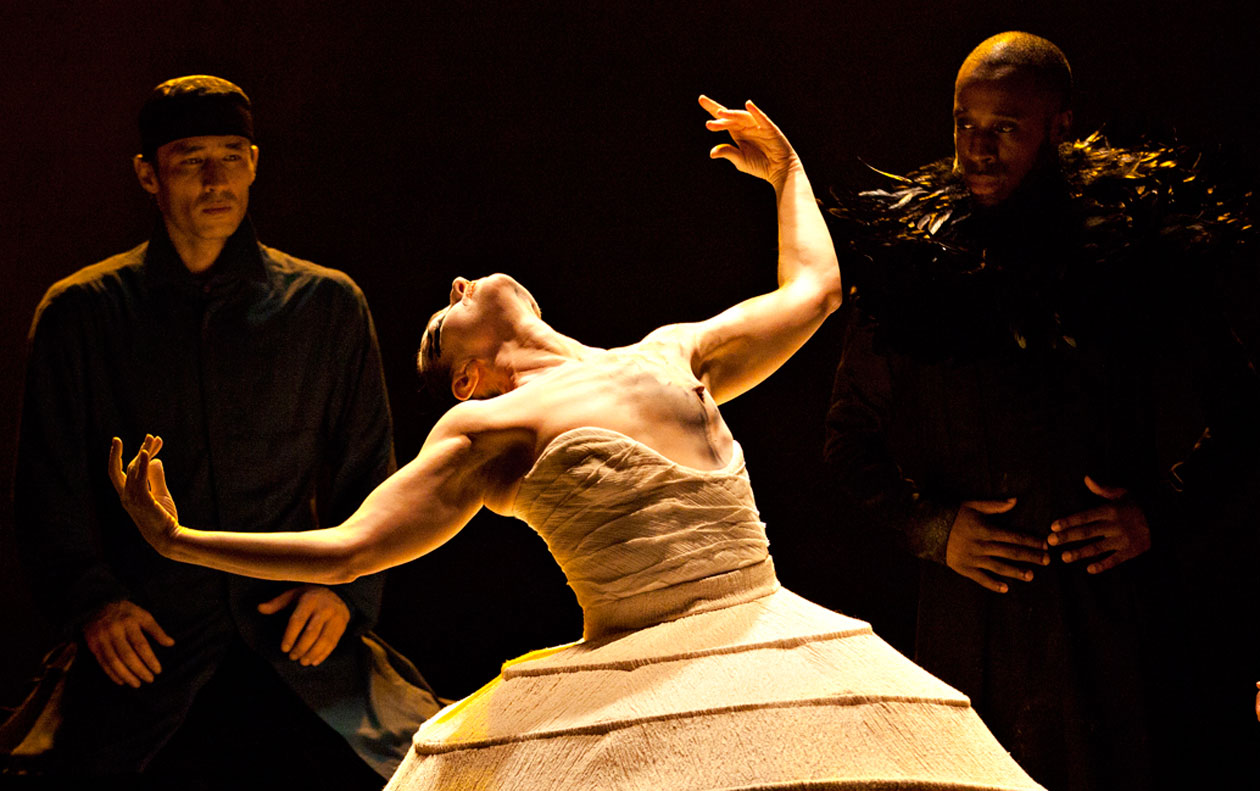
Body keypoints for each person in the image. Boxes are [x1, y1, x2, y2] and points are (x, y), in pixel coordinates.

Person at [108, 95, 1046, 790]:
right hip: (640, 677)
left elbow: (813, 294)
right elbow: (353, 544)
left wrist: (788, 174)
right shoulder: (484, 427)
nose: (461, 279)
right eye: (446, 314)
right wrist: (178, 540)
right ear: (466, 376)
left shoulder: (672, 350)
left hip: (777, 642)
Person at [824, 32, 1259, 789]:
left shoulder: (1136, 256)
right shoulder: (914, 266)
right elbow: (847, 440)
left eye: (1005, 128)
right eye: (965, 123)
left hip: (1120, 628)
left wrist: (1156, 517)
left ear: (1059, 127)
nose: (977, 150)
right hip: (976, 627)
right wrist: (936, 529)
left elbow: (1250, 416)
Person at [11, 75, 437, 784]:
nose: (216, 179)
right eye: (190, 159)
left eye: (232, 155)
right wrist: (95, 603)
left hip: (296, 637)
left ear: (255, 163)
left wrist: (345, 594)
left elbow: (374, 478)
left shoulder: (326, 305)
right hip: (149, 645)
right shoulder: (81, 314)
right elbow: (44, 491)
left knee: (430, 764)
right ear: (149, 173)